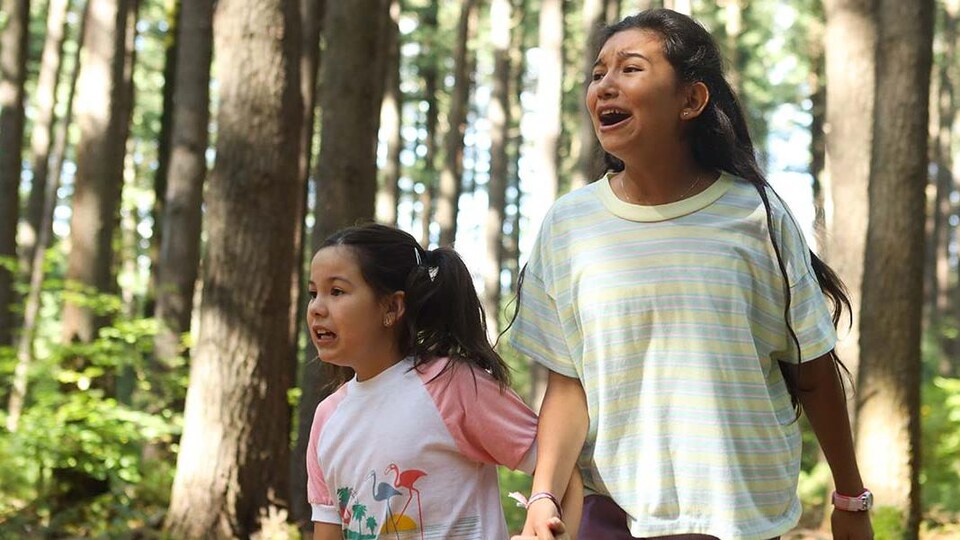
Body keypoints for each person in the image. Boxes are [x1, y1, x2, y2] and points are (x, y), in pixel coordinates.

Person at [509, 8, 874, 540]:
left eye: (630, 68)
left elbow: (812, 371)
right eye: (597, 74)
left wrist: (849, 500)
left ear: (691, 100)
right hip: (612, 512)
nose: (605, 86)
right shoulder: (569, 225)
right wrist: (543, 494)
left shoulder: (757, 215)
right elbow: (569, 385)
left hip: (740, 516)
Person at [304, 223, 581, 540]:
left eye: (336, 291)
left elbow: (561, 464)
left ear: (392, 307)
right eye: (313, 293)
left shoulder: (452, 385)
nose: (316, 309)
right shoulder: (326, 418)